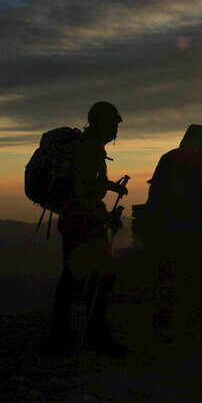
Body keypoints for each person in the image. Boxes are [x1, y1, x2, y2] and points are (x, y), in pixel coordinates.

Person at [45, 101, 129, 357]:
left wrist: (112, 187)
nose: (117, 130)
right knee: (100, 278)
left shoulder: (85, 146)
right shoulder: (91, 149)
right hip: (85, 225)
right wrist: (105, 218)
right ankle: (94, 337)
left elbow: (88, 183)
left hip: (73, 222)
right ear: (101, 123)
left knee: (73, 278)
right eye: (114, 124)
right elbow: (85, 192)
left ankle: (61, 337)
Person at [144, 124, 202, 343]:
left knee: (167, 277)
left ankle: (164, 326)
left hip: (166, 228)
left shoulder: (168, 159)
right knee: (195, 277)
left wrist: (149, 227)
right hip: (195, 230)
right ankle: (196, 324)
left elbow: (155, 195)